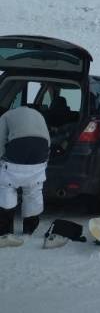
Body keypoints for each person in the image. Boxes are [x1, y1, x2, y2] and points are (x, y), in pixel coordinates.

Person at [0, 105, 50, 247]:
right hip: (41, 149)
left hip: (19, 146)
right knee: (33, 188)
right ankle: (30, 228)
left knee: (7, 185)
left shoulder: (5, 117)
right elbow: (47, 139)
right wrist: (44, 163)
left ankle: (5, 231)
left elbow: (0, 140)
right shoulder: (38, 115)